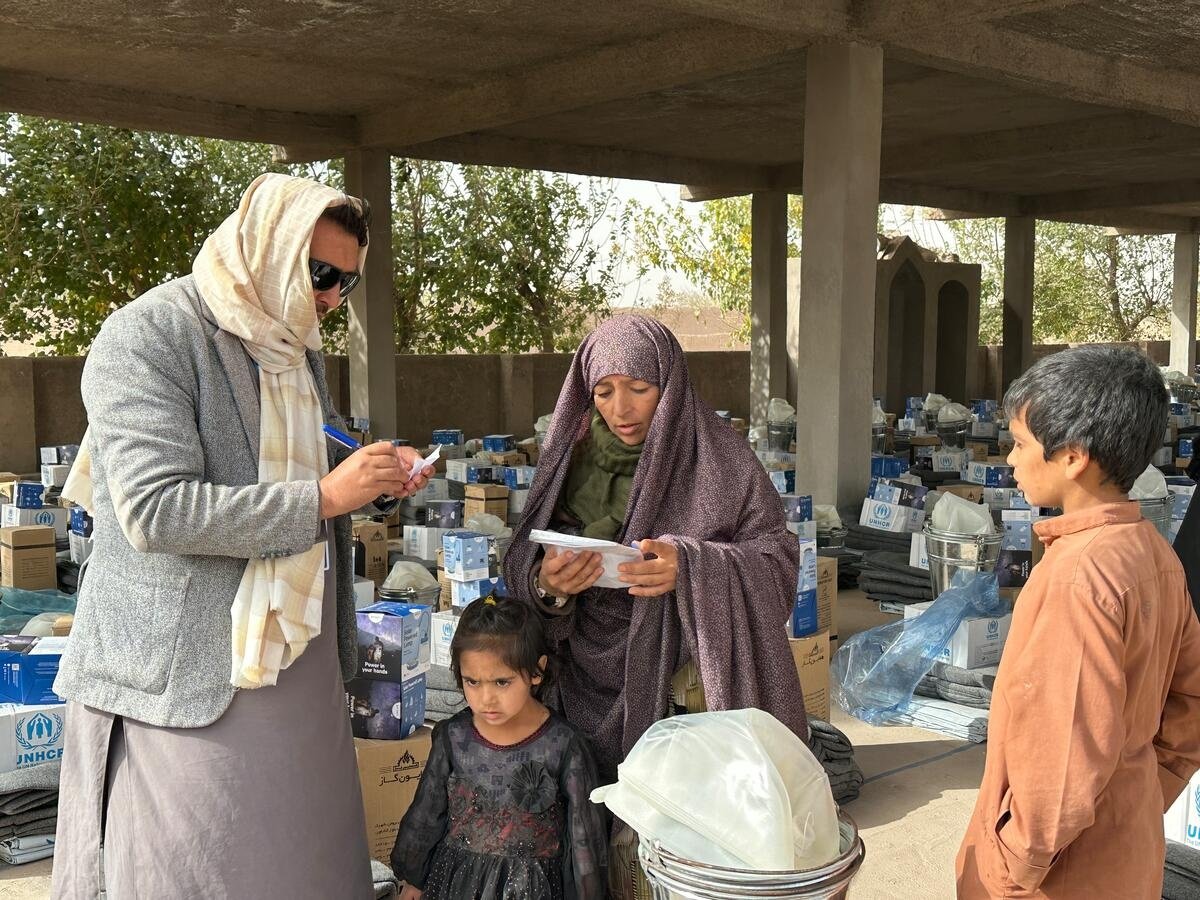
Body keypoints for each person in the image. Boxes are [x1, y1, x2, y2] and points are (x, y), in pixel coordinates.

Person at [50, 174, 432, 899]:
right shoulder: (150, 334)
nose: (329, 299)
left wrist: (373, 475)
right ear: (270, 249)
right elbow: (156, 510)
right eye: (320, 274)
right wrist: (324, 496)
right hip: (189, 674)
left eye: (346, 284)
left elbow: (311, 460)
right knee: (199, 866)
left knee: (307, 865)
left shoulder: (293, 345)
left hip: (299, 658)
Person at [502, 315, 806, 888]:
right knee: (580, 841)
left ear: (670, 384)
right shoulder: (568, 457)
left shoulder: (717, 457)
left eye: (640, 388)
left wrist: (690, 567)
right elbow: (521, 564)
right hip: (579, 680)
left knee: (671, 851)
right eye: (604, 391)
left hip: (680, 688)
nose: (621, 409)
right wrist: (550, 587)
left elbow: (778, 559)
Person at [956, 346, 1200, 899]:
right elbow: (1191, 703)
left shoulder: (1077, 577)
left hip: (1060, 875)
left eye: (1020, 444)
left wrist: (1009, 872)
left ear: (1073, 457)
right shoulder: (1155, 555)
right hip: (1127, 848)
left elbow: (1059, 763)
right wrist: (1140, 791)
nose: (1011, 461)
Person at [391, 595, 607, 900]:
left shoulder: (563, 745)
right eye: (472, 682)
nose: (486, 698)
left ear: (537, 671)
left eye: (501, 682)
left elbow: (584, 836)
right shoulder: (453, 737)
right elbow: (427, 812)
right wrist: (412, 879)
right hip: (455, 885)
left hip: (532, 891)